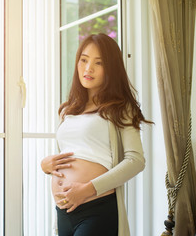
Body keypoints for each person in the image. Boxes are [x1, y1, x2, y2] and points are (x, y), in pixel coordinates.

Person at [41, 33, 153, 236]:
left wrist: (86, 189)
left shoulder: (121, 107)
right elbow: (71, 154)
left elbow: (136, 160)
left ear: (111, 69)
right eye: (83, 60)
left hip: (96, 209)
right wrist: (46, 166)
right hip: (64, 211)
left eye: (98, 63)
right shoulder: (68, 109)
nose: (88, 68)